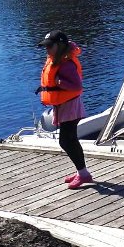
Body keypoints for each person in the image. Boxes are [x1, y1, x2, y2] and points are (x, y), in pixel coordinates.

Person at [37, 30, 92, 189]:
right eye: (45, 47)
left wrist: (59, 82)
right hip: (63, 105)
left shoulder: (66, 63)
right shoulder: (56, 59)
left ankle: (83, 174)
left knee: (67, 141)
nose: (46, 49)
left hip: (70, 106)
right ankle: (81, 172)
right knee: (69, 140)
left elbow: (77, 85)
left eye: (49, 46)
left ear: (59, 46)